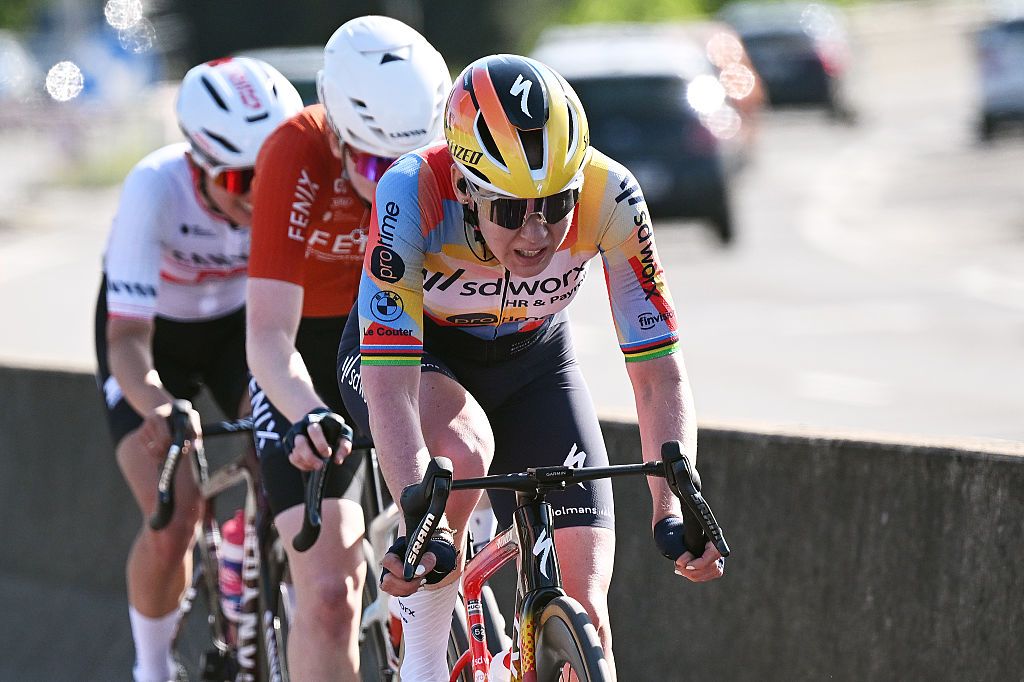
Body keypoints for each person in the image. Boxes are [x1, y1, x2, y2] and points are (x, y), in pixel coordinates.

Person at [337, 54, 727, 680]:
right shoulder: (412, 192)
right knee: (462, 453)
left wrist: (674, 503)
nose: (536, 234)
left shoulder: (611, 194)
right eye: (511, 210)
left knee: (588, 613)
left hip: (534, 362)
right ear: (466, 188)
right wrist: (419, 516)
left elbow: (658, 372)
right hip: (418, 358)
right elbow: (390, 383)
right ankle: (424, 663)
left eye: (556, 203)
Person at [244, 15, 451, 681]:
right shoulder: (294, 152)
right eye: (371, 165)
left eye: (410, 168)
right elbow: (267, 337)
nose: (392, 186)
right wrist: (306, 411)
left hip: (395, 334)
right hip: (307, 349)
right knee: (332, 594)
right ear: (334, 131)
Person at [94, 57, 302, 682]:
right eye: (241, 180)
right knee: (174, 518)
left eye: (273, 177)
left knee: (290, 461)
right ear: (196, 163)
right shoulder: (155, 187)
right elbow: (126, 339)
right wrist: (158, 405)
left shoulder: (285, 192)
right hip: (149, 339)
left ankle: (255, 568)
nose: (260, 197)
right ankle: (153, 668)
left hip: (238, 331)